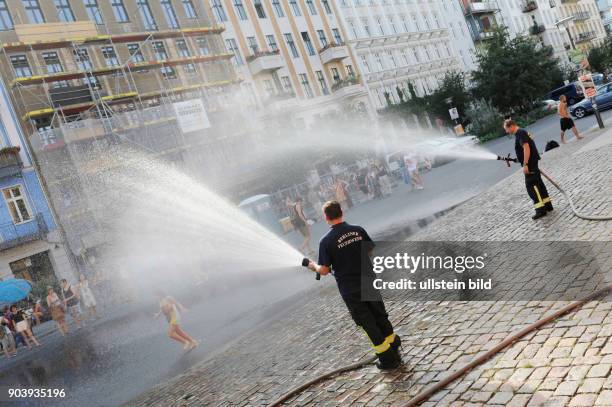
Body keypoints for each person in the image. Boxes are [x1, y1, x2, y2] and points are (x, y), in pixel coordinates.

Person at [305, 201, 402, 370]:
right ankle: (393, 345)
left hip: (351, 289)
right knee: (380, 314)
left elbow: (324, 270)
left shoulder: (326, 241)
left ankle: (387, 358)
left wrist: (311, 265)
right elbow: (370, 251)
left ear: (326, 217)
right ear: (341, 212)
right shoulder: (358, 229)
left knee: (367, 322)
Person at [504, 119, 553, 219]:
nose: (506, 132)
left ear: (511, 126)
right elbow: (524, 152)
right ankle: (548, 205)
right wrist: (515, 160)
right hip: (532, 162)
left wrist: (525, 164)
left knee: (531, 186)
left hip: (530, 164)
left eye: (506, 129)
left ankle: (540, 210)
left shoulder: (520, 133)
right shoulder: (521, 132)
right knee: (539, 184)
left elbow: (527, 148)